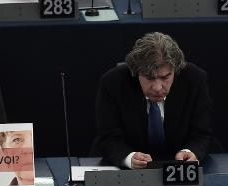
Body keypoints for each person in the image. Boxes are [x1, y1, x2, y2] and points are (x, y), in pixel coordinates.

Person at [92, 32, 215, 169]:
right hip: (129, 168)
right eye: (149, 78)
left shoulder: (195, 79)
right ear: (136, 71)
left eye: (165, 77)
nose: (157, 88)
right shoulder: (112, 83)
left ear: (176, 70)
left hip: (179, 165)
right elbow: (109, 137)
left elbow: (201, 133)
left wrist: (190, 152)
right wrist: (129, 157)